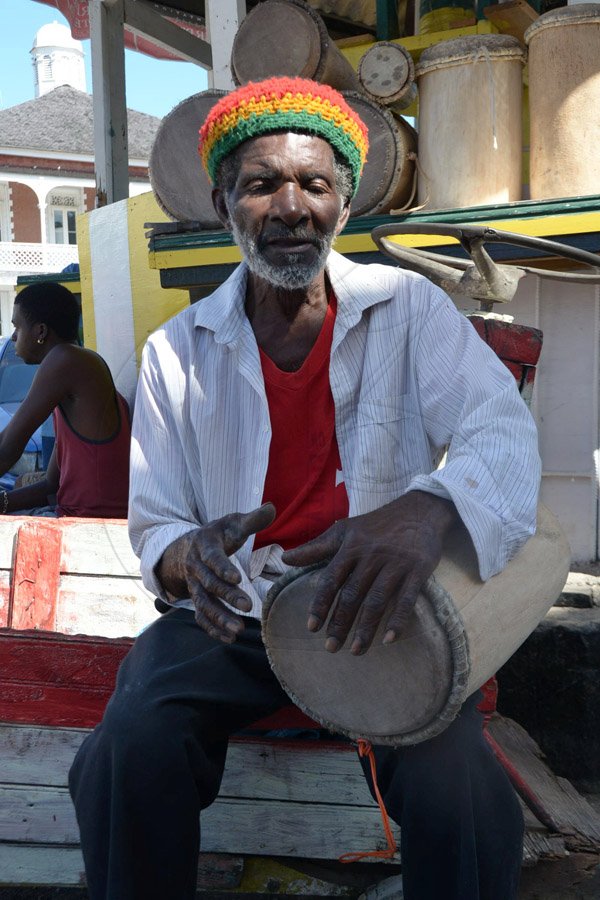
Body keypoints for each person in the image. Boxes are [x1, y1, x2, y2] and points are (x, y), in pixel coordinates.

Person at [69, 78, 541, 900]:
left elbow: (501, 433)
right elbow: (155, 524)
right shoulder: (175, 351)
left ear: (344, 205)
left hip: (375, 608)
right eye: (261, 184)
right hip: (235, 615)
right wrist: (189, 559)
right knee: (125, 752)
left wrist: (425, 510)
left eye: (314, 184)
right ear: (225, 205)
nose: (290, 207)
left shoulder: (410, 309)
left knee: (460, 789)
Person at [0, 282, 130, 518]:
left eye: (17, 326)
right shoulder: (79, 363)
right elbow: (52, 485)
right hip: (76, 515)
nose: (15, 336)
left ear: (40, 331)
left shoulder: (64, 359)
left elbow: (7, 447)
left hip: (90, 524)